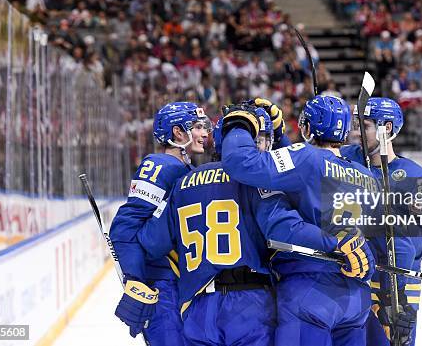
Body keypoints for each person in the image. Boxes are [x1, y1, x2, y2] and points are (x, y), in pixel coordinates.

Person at [133, 109, 362, 345]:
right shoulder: (255, 183)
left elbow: (150, 243)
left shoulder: (182, 184)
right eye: (260, 140)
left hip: (198, 309)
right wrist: (337, 244)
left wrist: (135, 279)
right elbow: (283, 228)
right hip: (248, 305)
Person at [220, 95, 380, 346]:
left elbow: (241, 163)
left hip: (310, 290)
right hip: (356, 296)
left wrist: (239, 122)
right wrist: (280, 137)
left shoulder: (306, 158)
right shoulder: (367, 176)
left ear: (306, 128)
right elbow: (304, 176)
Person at [110, 102, 212, 344]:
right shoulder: (159, 165)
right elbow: (124, 227)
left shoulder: (187, 168)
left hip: (181, 282)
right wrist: (136, 279)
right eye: (197, 127)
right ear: (178, 132)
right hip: (162, 285)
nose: (205, 133)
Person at [340, 97, 422, 346]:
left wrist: (396, 232)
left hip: (398, 286)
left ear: (388, 129)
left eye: (366, 126)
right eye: (356, 124)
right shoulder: (344, 160)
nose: (357, 132)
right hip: (353, 277)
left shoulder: (415, 176)